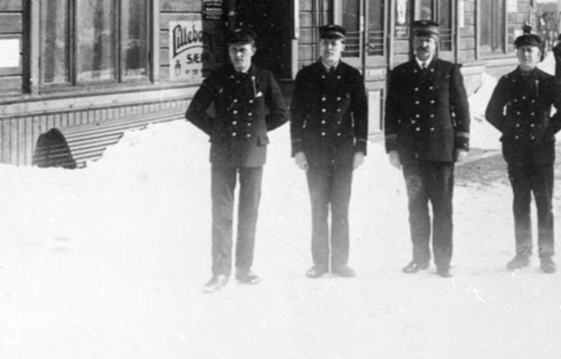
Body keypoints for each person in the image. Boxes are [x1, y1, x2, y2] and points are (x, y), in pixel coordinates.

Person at [186, 26, 287, 292]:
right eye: (233, 50)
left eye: (243, 49)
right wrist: (217, 132)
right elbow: (194, 112)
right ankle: (220, 273)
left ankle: (244, 269)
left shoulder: (264, 78)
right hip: (223, 154)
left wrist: (258, 131)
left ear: (253, 51)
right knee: (221, 215)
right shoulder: (217, 77)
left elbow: (281, 113)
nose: (238, 55)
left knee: (248, 214)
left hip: (253, 154)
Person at [385, 19, 471, 277]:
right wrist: (392, 147)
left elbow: (462, 110)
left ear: (436, 44)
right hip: (411, 154)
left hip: (440, 152)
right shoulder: (399, 73)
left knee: (443, 208)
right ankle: (420, 258)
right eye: (419, 40)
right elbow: (391, 113)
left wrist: (462, 143)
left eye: (429, 40)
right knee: (416, 207)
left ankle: (443, 262)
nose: (424, 45)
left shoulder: (448, 71)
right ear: (413, 43)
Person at [485, 33, 561, 273]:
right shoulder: (506, 81)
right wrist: (511, 129)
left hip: (542, 152)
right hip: (516, 152)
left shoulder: (548, 81)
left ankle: (547, 256)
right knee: (520, 203)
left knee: (544, 204)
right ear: (516, 53)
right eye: (522, 50)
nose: (526, 54)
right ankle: (523, 254)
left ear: (539, 55)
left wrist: (547, 131)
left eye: (531, 51)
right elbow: (492, 113)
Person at [290, 24, 368, 279]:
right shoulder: (306, 76)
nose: (330, 48)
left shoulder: (352, 76)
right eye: (325, 43)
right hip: (315, 154)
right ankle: (320, 263)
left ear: (343, 46)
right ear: (319, 45)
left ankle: (341, 263)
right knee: (318, 209)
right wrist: (298, 150)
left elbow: (361, 115)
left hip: (344, 154)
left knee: (341, 209)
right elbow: (297, 116)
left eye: (335, 44)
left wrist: (360, 149)